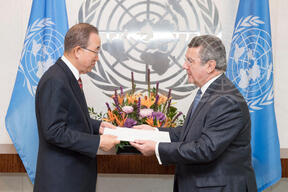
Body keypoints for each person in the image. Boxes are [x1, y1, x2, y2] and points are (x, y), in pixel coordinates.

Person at [131, 35, 257, 192]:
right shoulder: (212, 91)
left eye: (190, 61)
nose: (184, 66)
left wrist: (157, 148)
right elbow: (191, 133)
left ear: (210, 66)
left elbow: (205, 148)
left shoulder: (226, 100)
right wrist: (155, 132)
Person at [34, 23, 120, 192]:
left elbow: (70, 118)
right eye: (95, 51)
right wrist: (97, 142)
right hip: (61, 182)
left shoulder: (67, 76)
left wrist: (98, 127)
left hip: (73, 179)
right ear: (78, 51)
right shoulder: (55, 80)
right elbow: (54, 131)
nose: (97, 58)